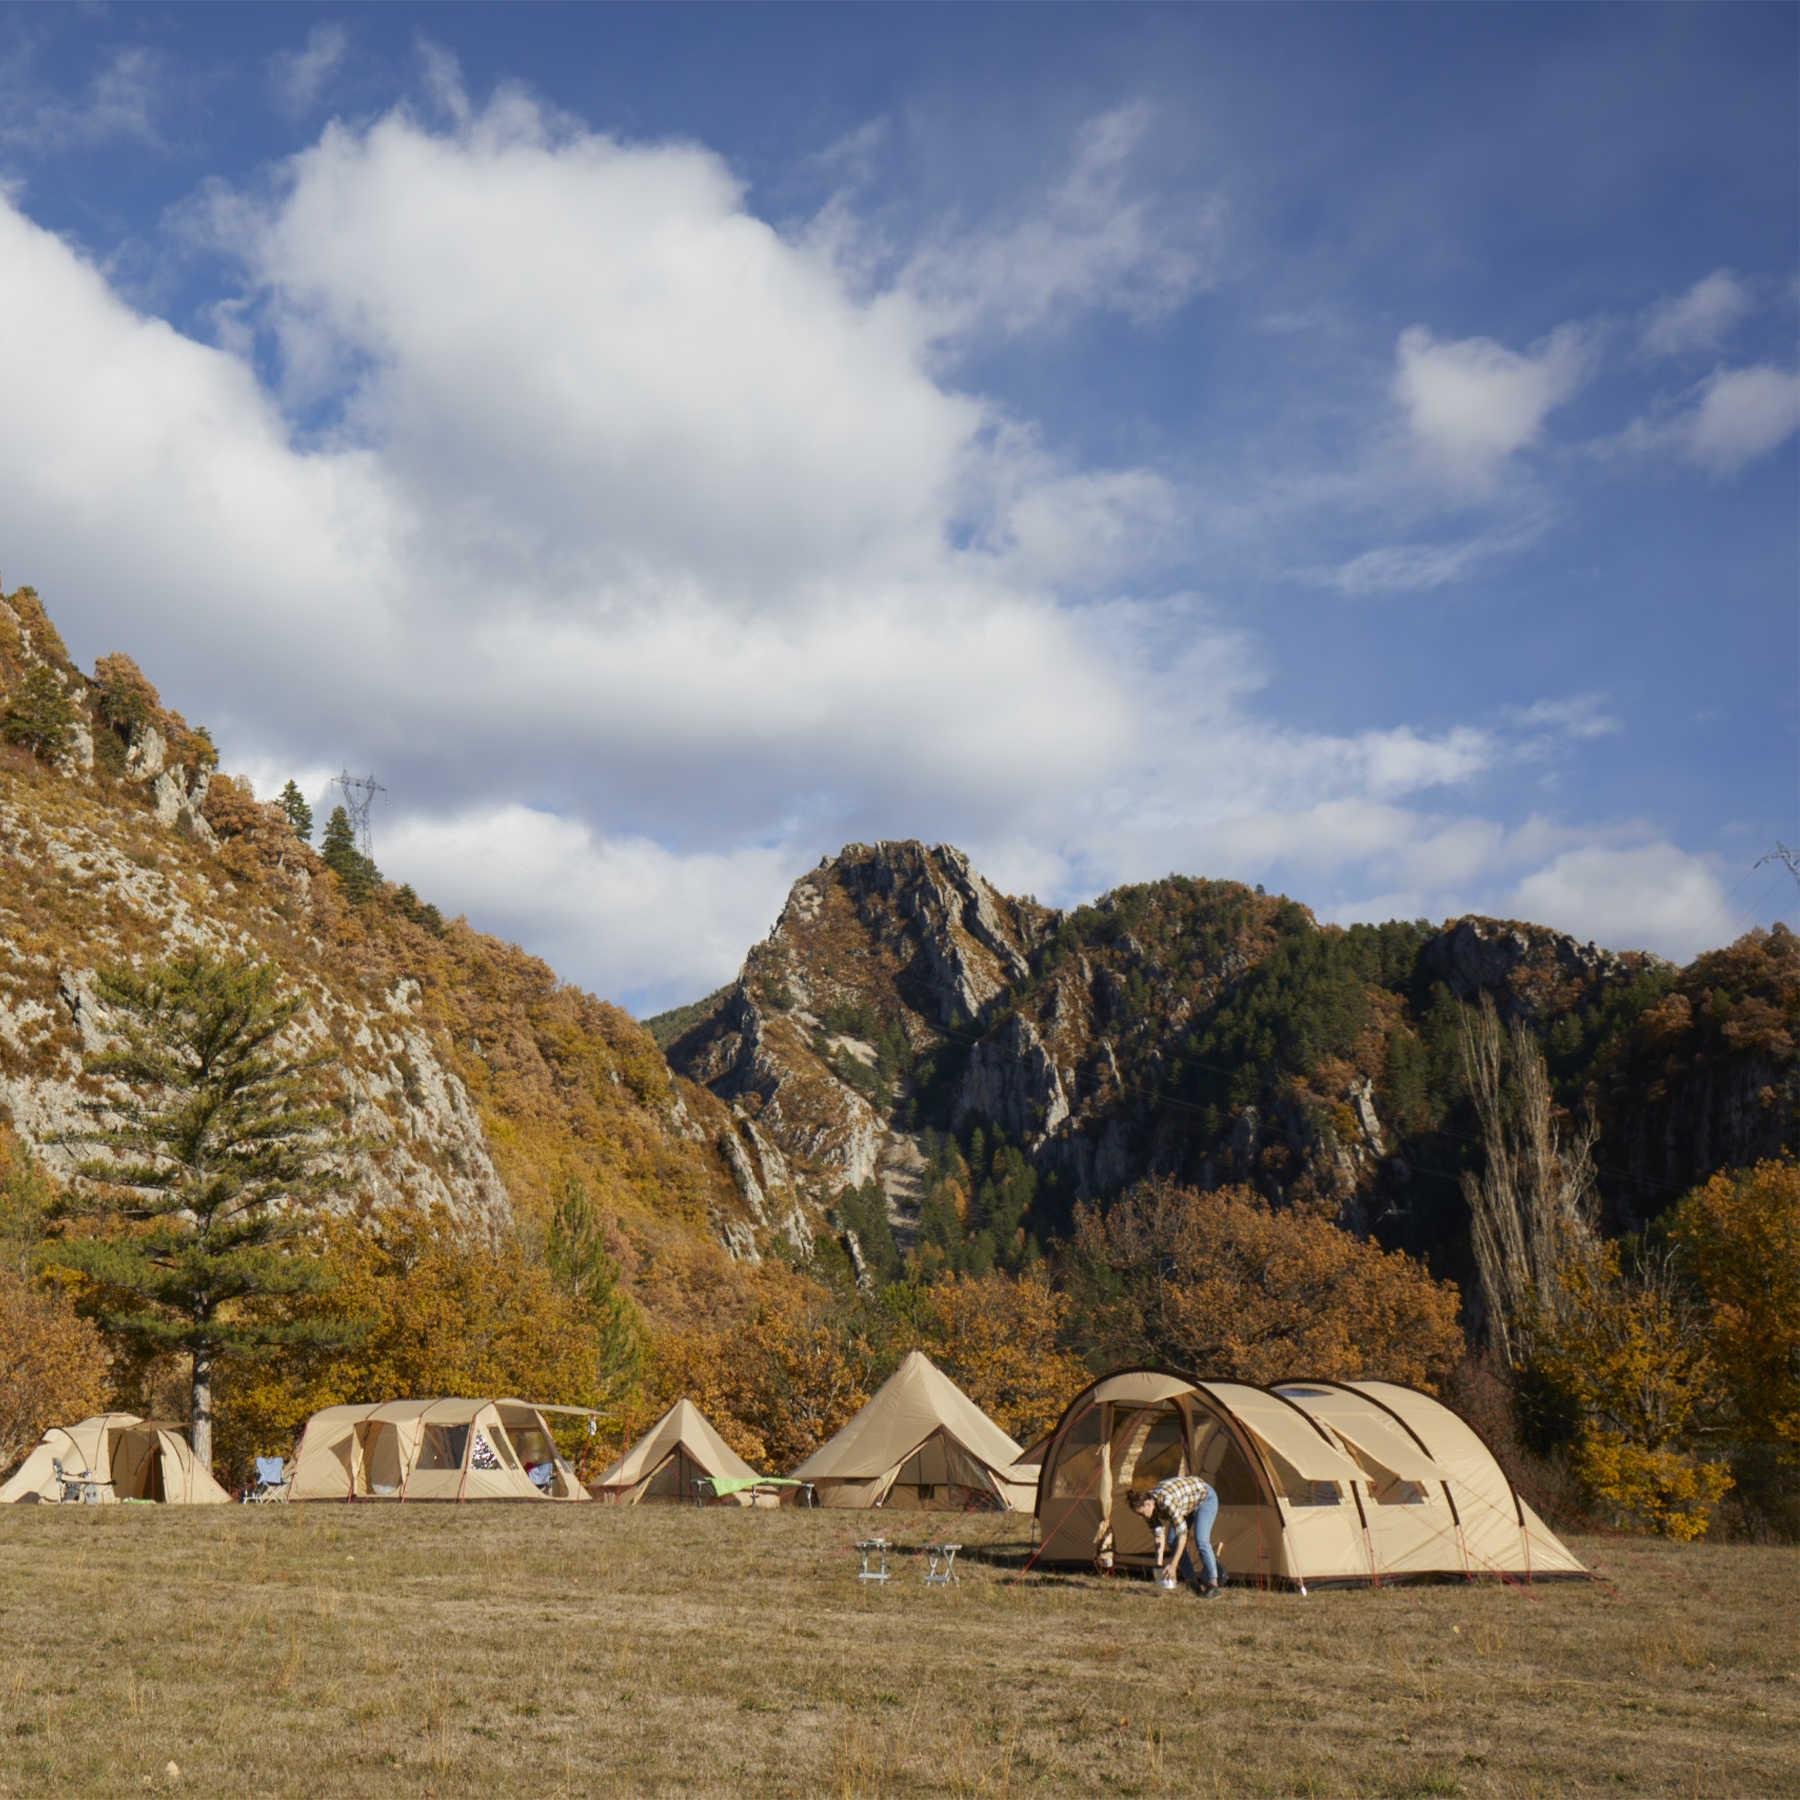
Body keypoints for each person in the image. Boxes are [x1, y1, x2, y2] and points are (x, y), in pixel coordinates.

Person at [1128, 1474, 1222, 1597]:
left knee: (1201, 1540)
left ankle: (1213, 1585)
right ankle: (1192, 1582)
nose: (1142, 1517)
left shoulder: (1166, 1502)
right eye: (1139, 1514)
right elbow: (1158, 1537)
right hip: (1186, 1505)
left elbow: (1183, 1536)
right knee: (1172, 1541)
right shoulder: (1148, 1509)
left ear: (1148, 1504)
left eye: (1142, 1513)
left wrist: (1173, 1565)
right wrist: (1159, 1566)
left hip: (1205, 1498)